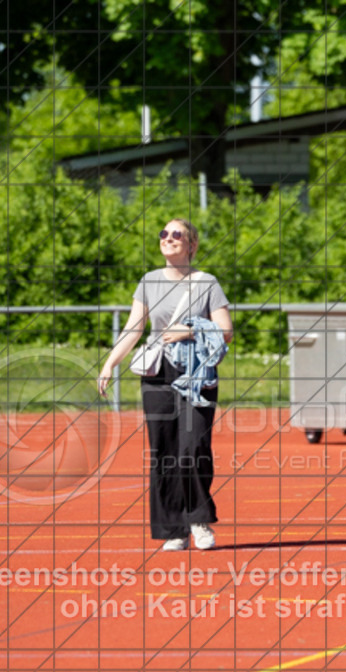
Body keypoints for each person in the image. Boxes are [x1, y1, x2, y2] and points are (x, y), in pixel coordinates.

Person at [98, 218, 234, 551]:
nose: (168, 238)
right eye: (163, 234)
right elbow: (134, 328)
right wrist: (109, 364)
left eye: (177, 235)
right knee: (164, 452)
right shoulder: (149, 281)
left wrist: (190, 331)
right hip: (158, 373)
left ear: (192, 245)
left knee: (193, 447)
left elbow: (226, 330)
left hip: (197, 373)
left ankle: (198, 519)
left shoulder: (207, 283)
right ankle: (175, 530)